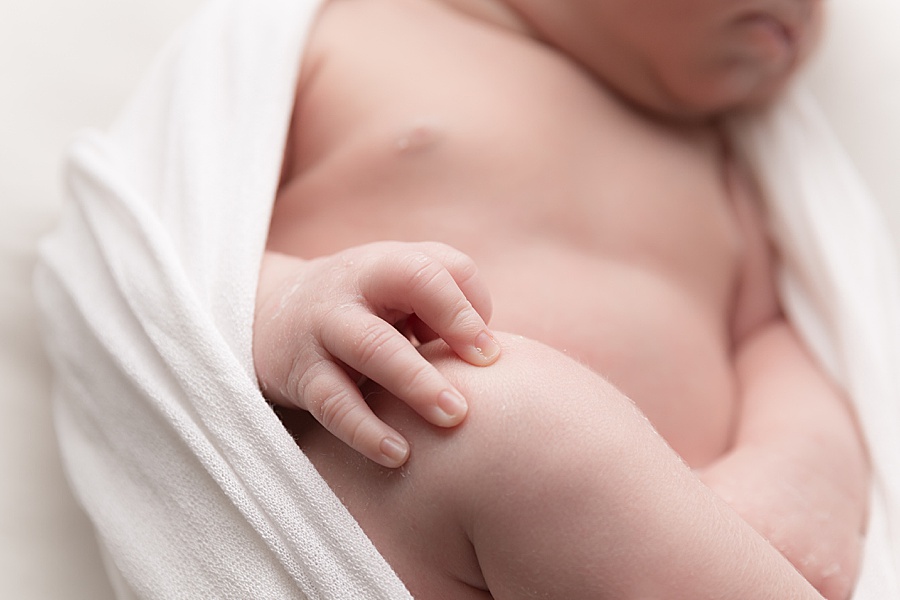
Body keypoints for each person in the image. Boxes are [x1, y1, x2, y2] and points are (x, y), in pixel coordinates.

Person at [252, 0, 869, 597]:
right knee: (503, 422)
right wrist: (284, 299)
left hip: (664, 545)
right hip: (391, 499)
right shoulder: (347, 35)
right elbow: (179, 254)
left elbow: (772, 335)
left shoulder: (724, 158)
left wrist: (798, 463)